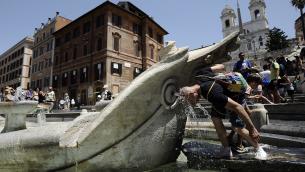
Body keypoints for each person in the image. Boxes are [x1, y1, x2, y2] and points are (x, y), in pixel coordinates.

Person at [180, 64, 267, 160]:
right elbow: (221, 66)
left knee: (238, 127)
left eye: (189, 101)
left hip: (236, 95)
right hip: (224, 92)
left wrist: (252, 128)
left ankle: (259, 149)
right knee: (215, 119)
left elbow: (238, 107)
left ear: (192, 94)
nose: (192, 104)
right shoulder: (200, 75)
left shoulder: (212, 94)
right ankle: (226, 149)